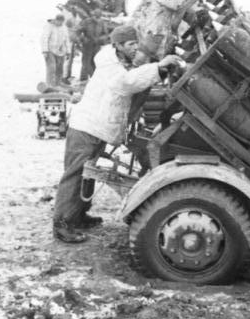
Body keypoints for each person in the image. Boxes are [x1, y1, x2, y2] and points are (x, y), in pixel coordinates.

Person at [53, 23, 184, 243]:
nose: (135, 48)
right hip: (85, 127)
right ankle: (62, 224)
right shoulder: (109, 66)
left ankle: (79, 215)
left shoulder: (118, 60)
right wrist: (159, 68)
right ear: (118, 45)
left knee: (88, 173)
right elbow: (127, 82)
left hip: (96, 127)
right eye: (131, 44)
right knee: (75, 175)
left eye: (136, 44)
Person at [76, 8, 109, 81]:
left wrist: (100, 39)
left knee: (95, 61)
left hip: (97, 45)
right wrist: (83, 39)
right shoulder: (87, 21)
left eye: (98, 16)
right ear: (92, 15)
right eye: (95, 16)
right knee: (85, 62)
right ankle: (83, 79)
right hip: (87, 44)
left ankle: (94, 79)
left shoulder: (102, 23)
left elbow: (105, 34)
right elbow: (78, 31)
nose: (96, 18)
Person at [41, 14, 71, 87]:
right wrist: (45, 50)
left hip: (60, 51)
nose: (60, 23)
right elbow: (44, 38)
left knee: (59, 69)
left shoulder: (64, 28)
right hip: (50, 50)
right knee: (52, 67)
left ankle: (58, 84)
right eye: (59, 21)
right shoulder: (49, 26)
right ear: (56, 20)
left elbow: (67, 40)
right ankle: (49, 84)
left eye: (61, 22)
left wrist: (68, 51)